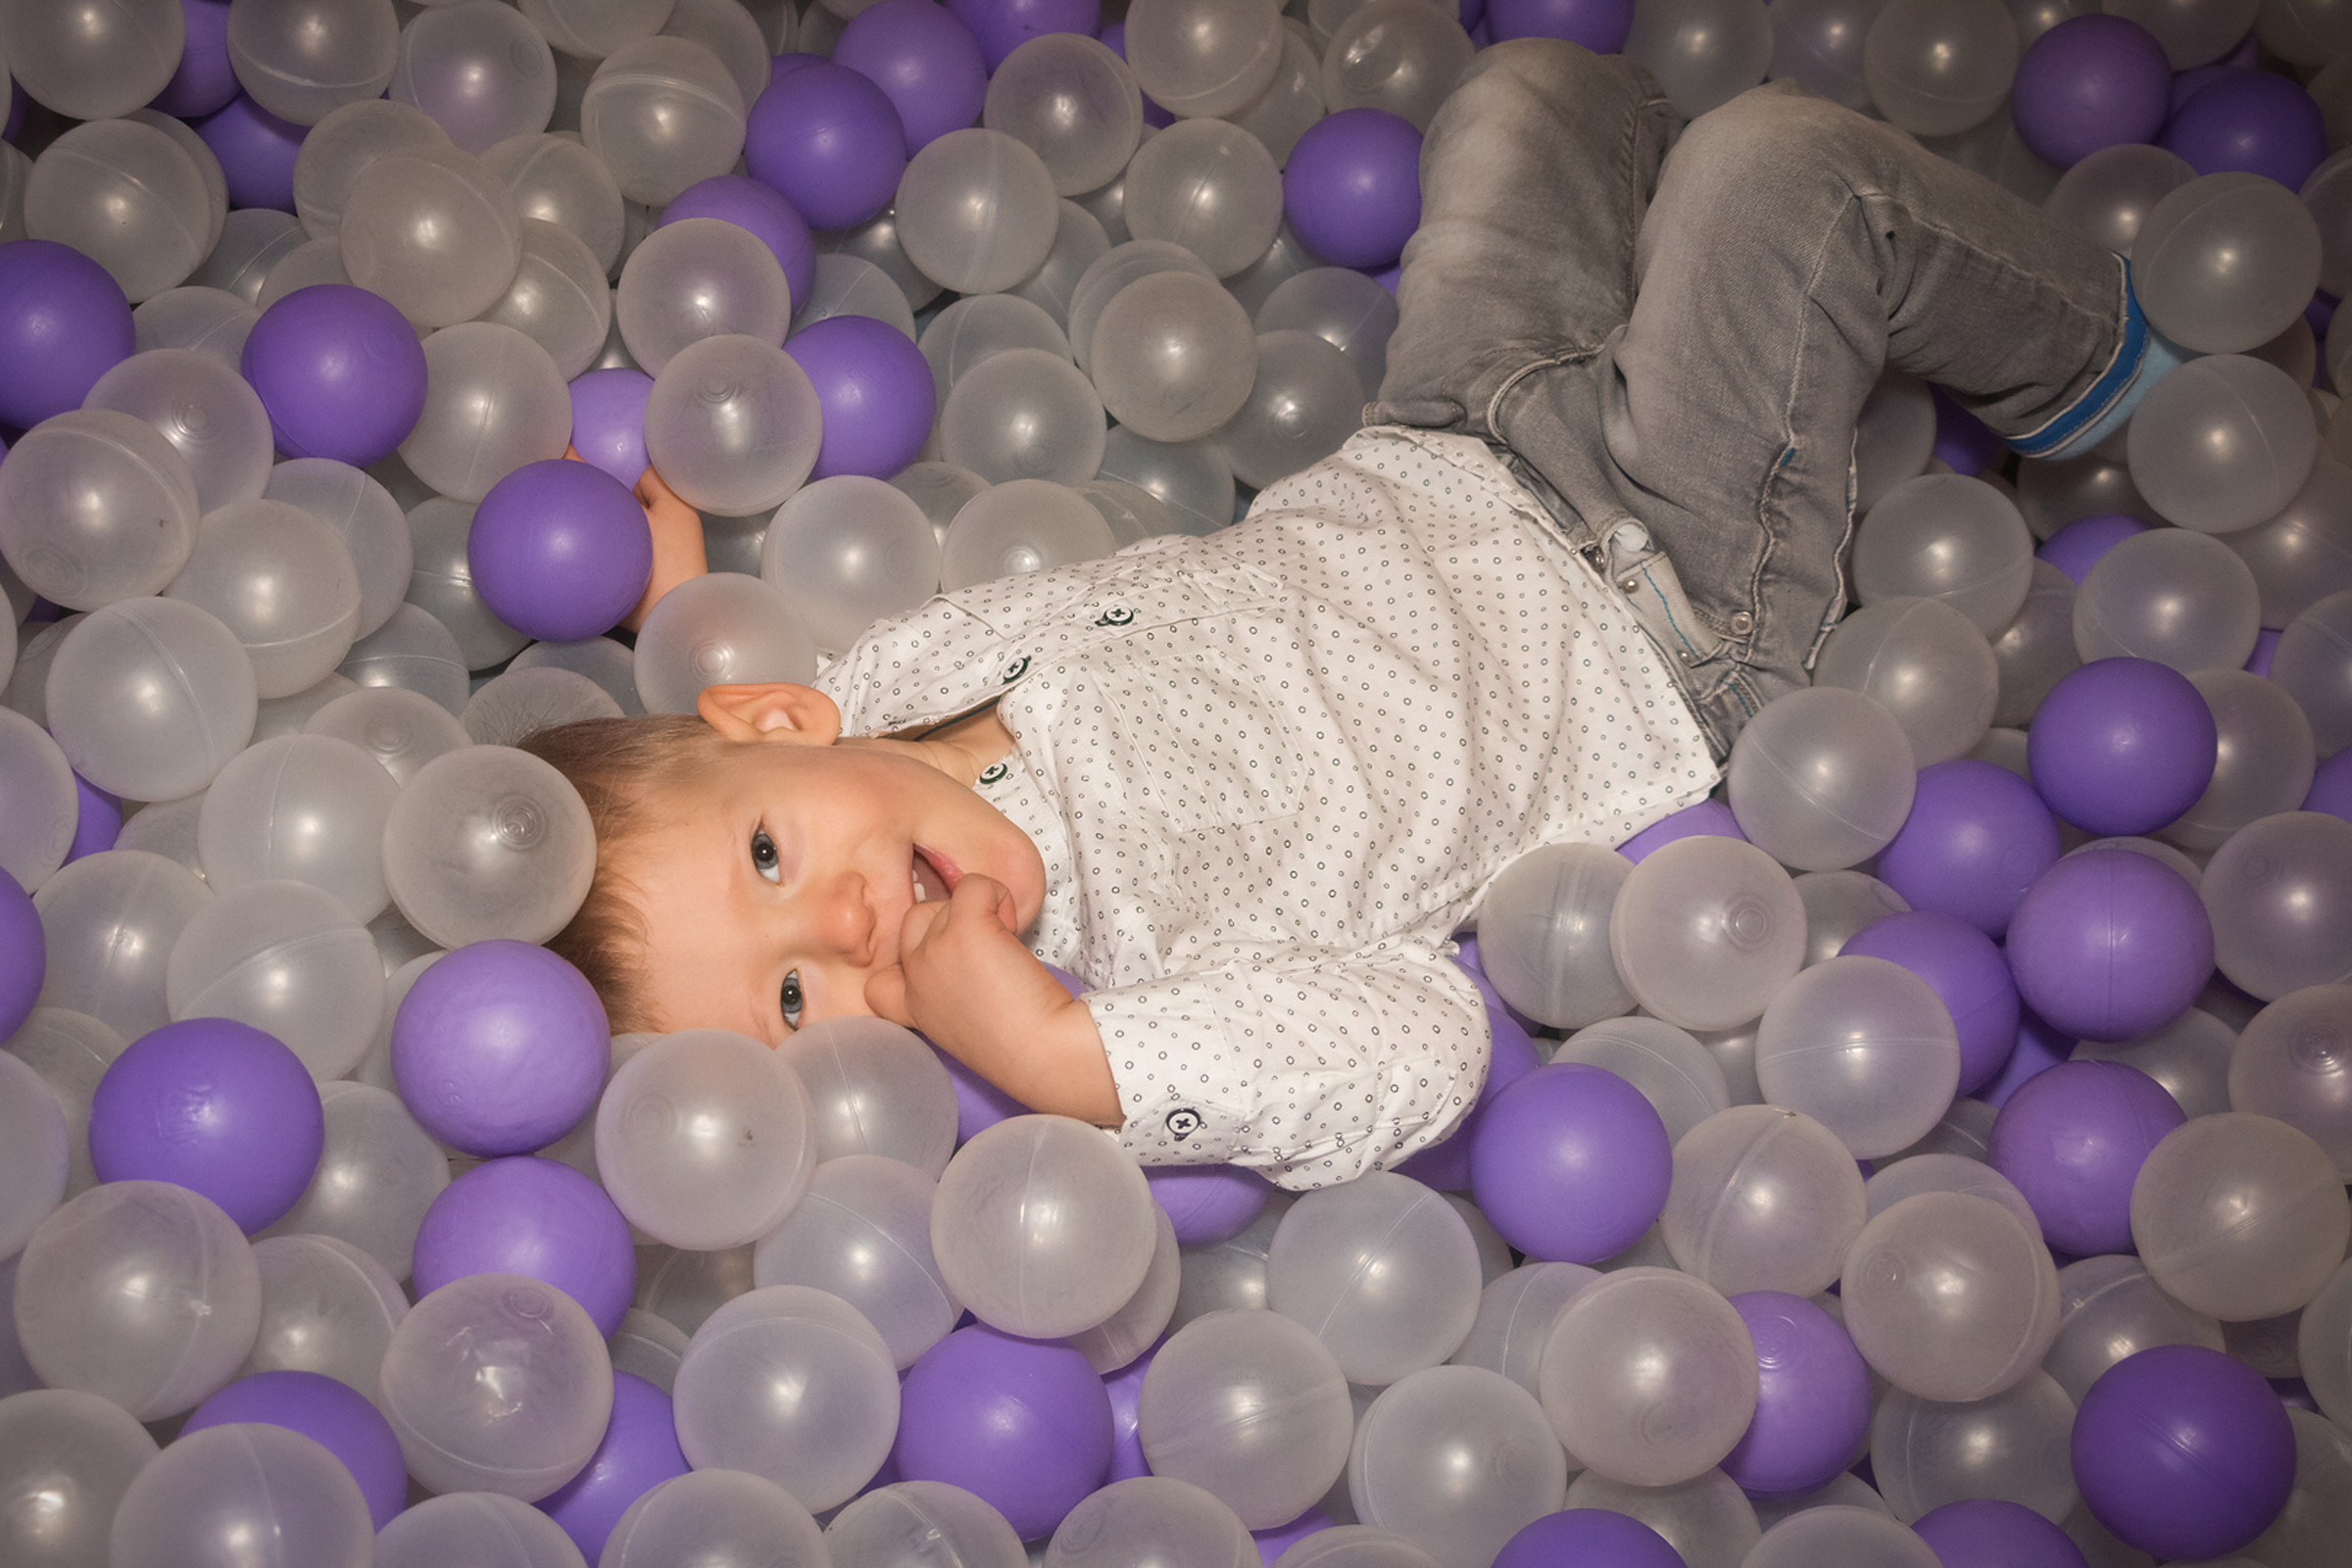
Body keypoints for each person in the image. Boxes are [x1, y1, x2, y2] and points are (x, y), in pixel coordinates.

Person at [522, 41, 2176, 1191]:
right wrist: (1059, 1055)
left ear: (782, 734)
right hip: (1663, 609)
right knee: (1790, 179)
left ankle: (1671, 214)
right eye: (800, 1007)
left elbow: (739, 703)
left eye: (768, 867)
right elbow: (1419, 1051)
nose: (849, 930)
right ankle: (2113, 380)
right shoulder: (1120, 972)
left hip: (1451, 437)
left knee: (1529, 97)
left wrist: (667, 577)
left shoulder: (875, 690)